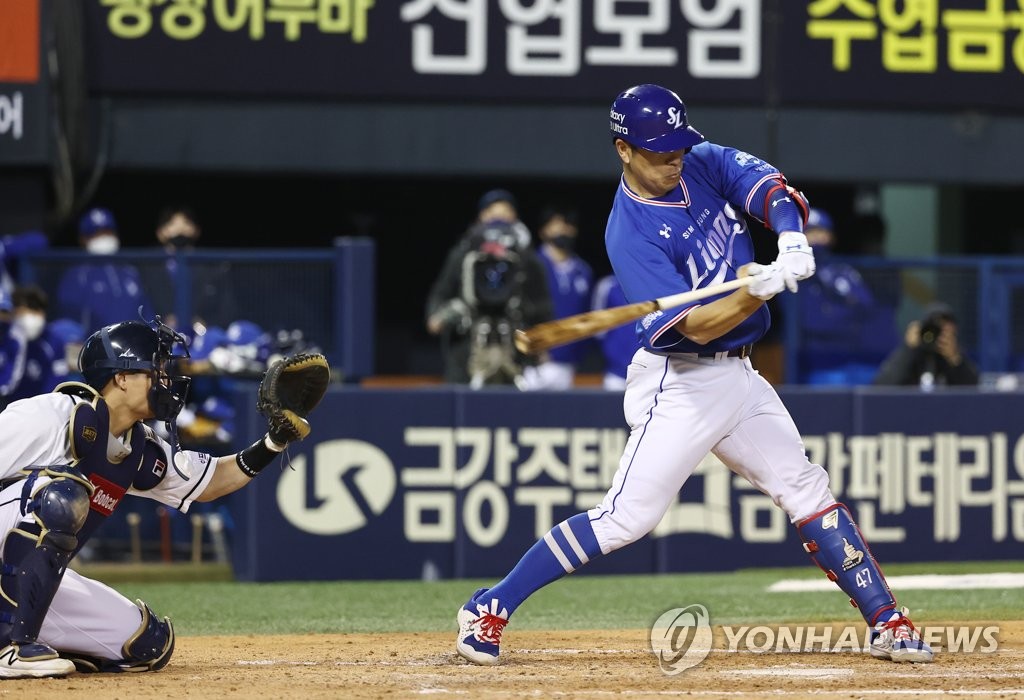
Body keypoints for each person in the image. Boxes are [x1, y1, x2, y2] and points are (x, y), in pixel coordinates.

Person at [455, 84, 933, 666]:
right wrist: (757, 291)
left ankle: (887, 619)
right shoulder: (627, 232)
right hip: (678, 381)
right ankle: (490, 605)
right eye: (659, 151)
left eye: (676, 146)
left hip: (741, 377)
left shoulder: (700, 161)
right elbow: (696, 329)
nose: (673, 158)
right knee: (626, 518)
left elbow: (773, 190)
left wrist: (788, 236)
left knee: (805, 486)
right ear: (623, 149)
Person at [0, 316, 314, 678]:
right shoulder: (53, 416)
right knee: (60, 495)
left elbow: (210, 481)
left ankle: (26, 638)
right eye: (155, 370)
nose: (166, 380)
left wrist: (274, 441)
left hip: (17, 580)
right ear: (121, 377)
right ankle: (14, 646)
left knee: (146, 645)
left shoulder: (138, 447)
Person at [425, 190, 552, 387]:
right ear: (481, 217)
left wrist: (541, 340)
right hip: (467, 350)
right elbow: (442, 291)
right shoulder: (464, 253)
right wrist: (437, 316)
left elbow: (543, 304)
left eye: (505, 213)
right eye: (492, 213)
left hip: (514, 352)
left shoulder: (526, 258)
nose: (498, 219)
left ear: (514, 217)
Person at [796, 208, 898, 384]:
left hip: (860, 362)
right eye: (810, 232)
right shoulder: (794, 275)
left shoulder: (843, 271)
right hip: (821, 366)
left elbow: (867, 309)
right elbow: (812, 321)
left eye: (820, 231)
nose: (816, 238)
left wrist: (833, 313)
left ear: (831, 237)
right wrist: (845, 313)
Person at [522, 206, 594, 390]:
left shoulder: (583, 271)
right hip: (531, 362)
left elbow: (587, 315)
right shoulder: (529, 265)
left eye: (567, 225)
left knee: (559, 417)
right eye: (556, 225)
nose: (563, 230)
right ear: (543, 231)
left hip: (567, 361)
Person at [56, 208, 153, 330]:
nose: (104, 238)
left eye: (107, 232)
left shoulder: (130, 271)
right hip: (96, 344)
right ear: (83, 239)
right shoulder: (76, 275)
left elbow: (147, 314)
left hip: (133, 343)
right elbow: (69, 319)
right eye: (97, 234)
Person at [873, 302, 978, 388]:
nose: (937, 334)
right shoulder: (911, 357)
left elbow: (975, 393)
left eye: (943, 330)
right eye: (934, 328)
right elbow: (880, 387)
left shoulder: (956, 359)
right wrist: (908, 349)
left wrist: (955, 359)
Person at [8, 284, 66, 402]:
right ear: (15, 312)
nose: (30, 317)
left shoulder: (54, 341)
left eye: (36, 311)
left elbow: (59, 378)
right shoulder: (6, 338)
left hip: (42, 406)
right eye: (24, 312)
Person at [590, 274, 637, 390]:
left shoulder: (653, 282)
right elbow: (597, 328)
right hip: (615, 371)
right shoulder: (608, 285)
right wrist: (612, 352)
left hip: (649, 371)